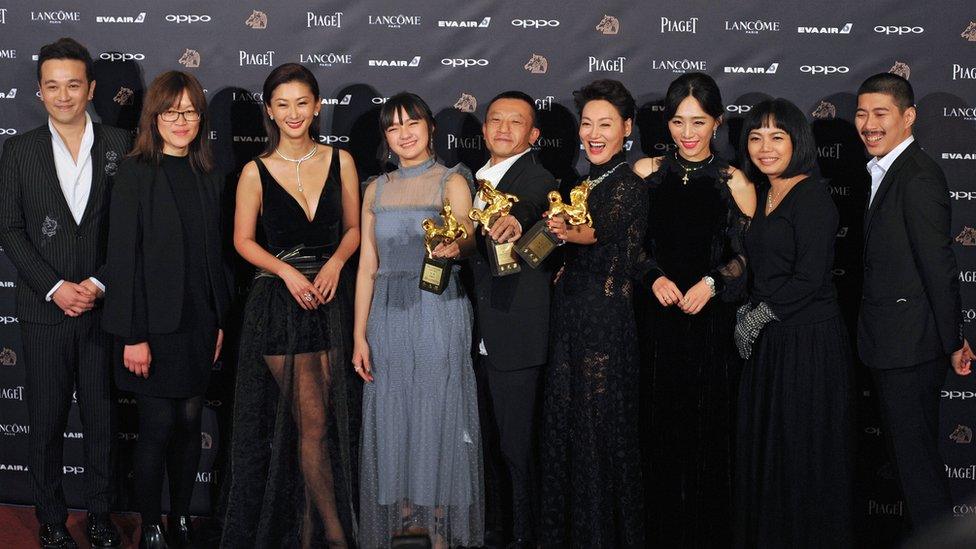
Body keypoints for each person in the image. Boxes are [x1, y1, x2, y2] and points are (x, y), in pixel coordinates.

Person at [222, 63, 362, 548]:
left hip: (330, 303)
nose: (293, 113)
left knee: (322, 426)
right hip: (278, 307)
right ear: (269, 112)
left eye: (302, 102)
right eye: (282, 104)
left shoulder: (340, 161)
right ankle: (337, 536)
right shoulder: (254, 172)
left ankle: (307, 534)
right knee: (313, 424)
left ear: (318, 106)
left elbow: (353, 229)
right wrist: (285, 270)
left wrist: (336, 264)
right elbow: (242, 241)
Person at [0, 37, 129, 549]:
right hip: (43, 310)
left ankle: (99, 515)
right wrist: (54, 287)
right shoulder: (19, 150)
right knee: (46, 422)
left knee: (102, 420)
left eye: (73, 84)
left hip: (104, 307)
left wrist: (97, 283)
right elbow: (9, 229)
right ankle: (50, 518)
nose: (63, 95)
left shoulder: (121, 145)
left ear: (90, 88)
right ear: (39, 92)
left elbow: (132, 230)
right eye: (52, 86)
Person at [102, 71, 231, 549]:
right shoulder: (135, 172)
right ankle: (151, 522)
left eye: (191, 111)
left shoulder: (208, 174)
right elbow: (123, 258)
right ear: (154, 117)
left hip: (199, 324)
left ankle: (180, 518)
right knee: (156, 428)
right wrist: (132, 334)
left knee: (189, 425)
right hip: (151, 329)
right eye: (171, 112)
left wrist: (219, 320)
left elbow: (214, 255)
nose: (182, 121)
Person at [353, 92, 483, 549]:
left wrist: (456, 246)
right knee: (391, 410)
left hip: (437, 305)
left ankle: (441, 527)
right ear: (386, 137)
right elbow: (367, 264)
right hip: (386, 312)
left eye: (412, 123)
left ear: (429, 128)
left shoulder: (452, 179)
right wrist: (358, 335)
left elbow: (467, 234)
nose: (404, 133)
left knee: (439, 410)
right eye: (393, 127)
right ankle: (404, 517)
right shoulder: (376, 188)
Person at [632, 72, 754, 546]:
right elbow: (630, 246)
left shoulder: (733, 180)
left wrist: (711, 282)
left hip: (710, 327)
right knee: (656, 432)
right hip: (655, 323)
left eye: (698, 122)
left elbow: (747, 258)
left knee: (706, 435)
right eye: (678, 121)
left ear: (717, 123)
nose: (687, 132)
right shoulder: (647, 173)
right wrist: (653, 276)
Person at [854, 73, 973, 534]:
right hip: (892, 343)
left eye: (881, 114)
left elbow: (939, 266)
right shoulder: (887, 170)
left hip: (910, 347)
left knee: (918, 469)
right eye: (862, 114)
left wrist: (953, 342)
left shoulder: (918, 175)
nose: (869, 124)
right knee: (910, 466)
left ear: (909, 117)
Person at [733, 98, 854, 547]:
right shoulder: (766, 191)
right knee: (771, 451)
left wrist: (761, 312)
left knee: (803, 454)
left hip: (808, 344)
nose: (765, 147)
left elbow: (810, 277)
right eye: (756, 137)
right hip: (773, 342)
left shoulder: (813, 197)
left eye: (777, 137)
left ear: (797, 141)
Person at [539, 79, 647, 548]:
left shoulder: (627, 185)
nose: (594, 134)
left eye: (606, 124)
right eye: (587, 124)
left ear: (627, 129)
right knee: (569, 425)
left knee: (599, 429)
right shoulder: (582, 183)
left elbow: (592, 233)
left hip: (604, 324)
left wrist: (561, 229)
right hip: (568, 321)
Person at [469, 91, 557, 549]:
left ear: (533, 134)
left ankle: (527, 536)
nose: (503, 129)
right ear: (483, 129)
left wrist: (515, 221)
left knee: (519, 451)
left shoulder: (538, 178)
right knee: (489, 449)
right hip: (477, 334)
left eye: (516, 122)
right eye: (495, 120)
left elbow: (525, 209)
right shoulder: (471, 181)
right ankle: (498, 530)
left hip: (518, 338)